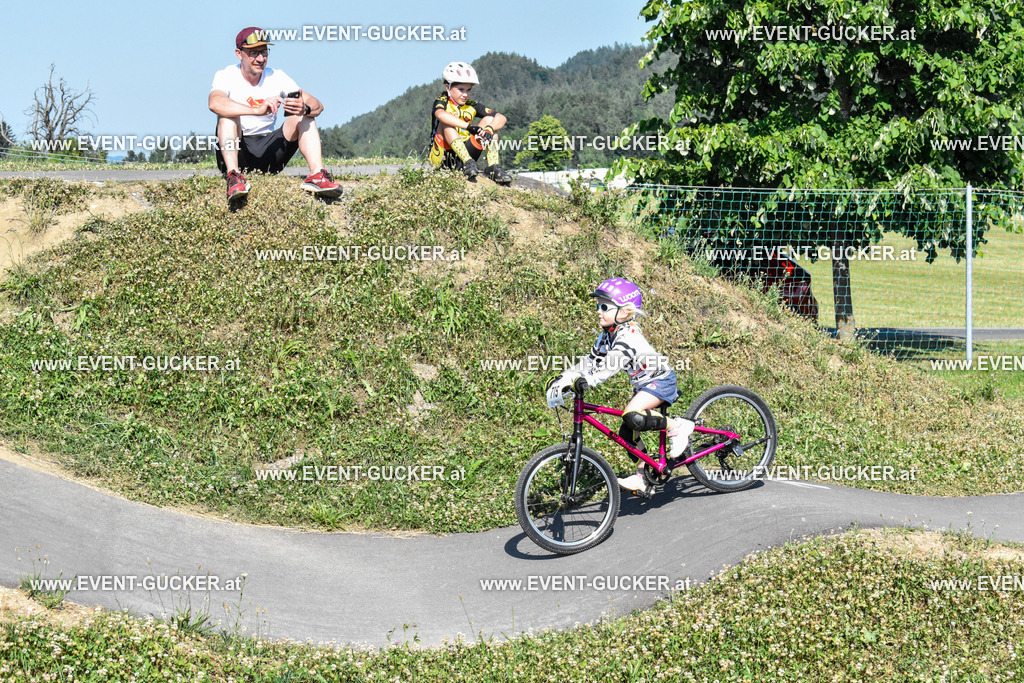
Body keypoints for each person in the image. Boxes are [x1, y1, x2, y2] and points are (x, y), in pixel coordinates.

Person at [545, 278, 695, 495]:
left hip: (661, 380)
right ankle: (644, 476)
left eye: (604, 307)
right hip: (643, 384)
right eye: (598, 306)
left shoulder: (628, 337)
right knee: (627, 433)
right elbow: (590, 361)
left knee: (633, 415)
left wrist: (587, 381)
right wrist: (565, 378)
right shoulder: (606, 336)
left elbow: (608, 367)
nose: (599, 311)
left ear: (624, 312)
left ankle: (678, 426)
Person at [209, 27, 342, 203]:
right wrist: (256, 110)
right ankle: (234, 176)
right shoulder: (226, 75)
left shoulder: (277, 76)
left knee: (302, 117)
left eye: (264, 52)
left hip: (269, 153)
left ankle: (317, 176)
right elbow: (215, 103)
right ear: (239, 54)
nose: (260, 59)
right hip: (238, 150)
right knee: (226, 116)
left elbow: (317, 105)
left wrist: (305, 108)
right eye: (253, 53)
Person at [428, 61, 512, 184]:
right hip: (443, 158)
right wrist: (469, 127)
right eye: (461, 90)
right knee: (446, 123)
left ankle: (493, 168)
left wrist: (489, 129)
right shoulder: (442, 101)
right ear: (448, 87)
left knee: (490, 121)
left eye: (468, 90)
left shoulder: (471, 105)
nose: (465, 94)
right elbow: (440, 115)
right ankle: (467, 162)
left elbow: (501, 117)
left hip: (466, 159)